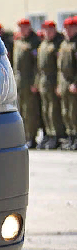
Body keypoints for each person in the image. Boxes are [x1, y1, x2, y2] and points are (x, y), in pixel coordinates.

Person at [13, 18, 42, 149]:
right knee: (20, 111)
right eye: (20, 27)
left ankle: (32, 137)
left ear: (29, 27)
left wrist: (35, 83)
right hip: (19, 82)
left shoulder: (35, 42)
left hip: (29, 82)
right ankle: (23, 137)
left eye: (25, 27)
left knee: (30, 111)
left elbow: (37, 65)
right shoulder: (18, 42)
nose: (22, 29)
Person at [37, 20, 67, 149]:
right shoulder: (43, 44)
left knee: (54, 110)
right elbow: (38, 67)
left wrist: (59, 84)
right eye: (46, 30)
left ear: (55, 30)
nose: (48, 32)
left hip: (54, 80)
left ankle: (57, 135)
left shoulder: (58, 44)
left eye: (50, 30)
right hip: (44, 82)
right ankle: (49, 134)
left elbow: (60, 67)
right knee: (45, 110)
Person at [58, 17, 77, 150]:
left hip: (73, 83)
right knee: (65, 112)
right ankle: (70, 137)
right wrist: (59, 84)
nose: (68, 30)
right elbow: (60, 68)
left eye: (71, 28)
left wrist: (75, 83)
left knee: (73, 112)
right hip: (64, 83)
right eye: (66, 28)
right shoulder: (64, 44)